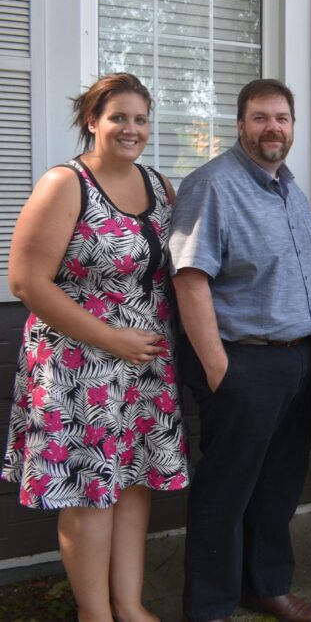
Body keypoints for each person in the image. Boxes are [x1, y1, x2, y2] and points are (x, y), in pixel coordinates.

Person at [2, 73, 189, 622]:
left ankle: (128, 606)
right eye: (119, 118)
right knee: (89, 492)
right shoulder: (66, 184)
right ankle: (95, 614)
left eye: (140, 119)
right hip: (76, 365)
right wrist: (112, 339)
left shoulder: (159, 187)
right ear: (92, 121)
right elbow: (25, 282)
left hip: (143, 367)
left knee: (132, 485)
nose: (131, 129)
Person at [170, 79, 311, 622]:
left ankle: (265, 584)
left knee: (278, 486)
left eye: (282, 118)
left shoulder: (287, 187)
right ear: (240, 124)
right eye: (260, 117)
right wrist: (219, 368)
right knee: (227, 492)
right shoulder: (212, 184)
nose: (272, 128)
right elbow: (190, 279)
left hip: (297, 360)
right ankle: (210, 607)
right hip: (244, 362)